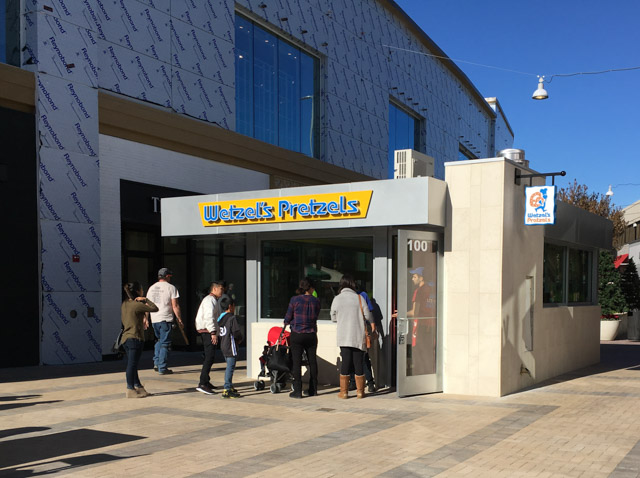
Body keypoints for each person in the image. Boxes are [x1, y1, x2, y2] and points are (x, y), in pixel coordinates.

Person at [331, 274, 373, 399]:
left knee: (345, 363)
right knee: (358, 363)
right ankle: (360, 392)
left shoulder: (337, 299)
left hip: (344, 336)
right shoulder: (359, 298)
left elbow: (333, 317)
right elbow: (368, 316)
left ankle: (344, 392)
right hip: (357, 336)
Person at [283, 277, 320, 399]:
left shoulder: (295, 300)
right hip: (311, 334)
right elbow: (316, 316)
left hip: (297, 334)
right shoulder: (316, 301)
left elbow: (287, 318)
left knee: (297, 362)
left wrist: (289, 321)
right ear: (311, 287)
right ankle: (313, 389)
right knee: (312, 361)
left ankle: (297, 390)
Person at [121, 282, 158, 398]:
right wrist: (146, 299)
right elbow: (155, 308)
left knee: (133, 364)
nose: (142, 291)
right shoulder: (136, 305)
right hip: (135, 338)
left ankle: (138, 387)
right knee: (132, 365)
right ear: (138, 291)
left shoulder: (125, 304)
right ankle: (130, 389)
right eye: (141, 290)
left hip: (126, 338)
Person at [146, 268, 184, 375]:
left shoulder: (151, 288)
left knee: (159, 340)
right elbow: (175, 305)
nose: (170, 278)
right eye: (169, 276)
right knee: (165, 343)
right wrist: (179, 319)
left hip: (155, 319)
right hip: (165, 318)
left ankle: (156, 362)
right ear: (167, 276)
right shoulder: (171, 288)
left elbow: (147, 305)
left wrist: (146, 318)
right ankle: (162, 367)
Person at [194, 280, 224, 395]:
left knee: (210, 356)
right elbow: (209, 317)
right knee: (209, 357)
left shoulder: (213, 300)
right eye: (221, 289)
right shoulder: (209, 300)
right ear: (214, 289)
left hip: (209, 331)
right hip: (207, 332)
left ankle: (206, 381)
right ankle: (202, 383)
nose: (222, 291)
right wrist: (212, 332)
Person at [407, 266, 436, 375]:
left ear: (421, 278)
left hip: (422, 325)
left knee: (420, 351)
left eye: (414, 276)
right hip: (432, 325)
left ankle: (421, 374)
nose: (412, 279)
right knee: (429, 351)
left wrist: (400, 314)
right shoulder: (432, 288)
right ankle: (429, 373)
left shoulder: (419, 291)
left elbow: (415, 312)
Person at [218, 296, 243, 398]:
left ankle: (229, 386)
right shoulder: (232, 318)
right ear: (230, 306)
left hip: (223, 345)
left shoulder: (221, 318)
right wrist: (240, 339)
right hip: (231, 346)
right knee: (230, 367)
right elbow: (236, 332)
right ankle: (227, 389)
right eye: (233, 306)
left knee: (229, 366)